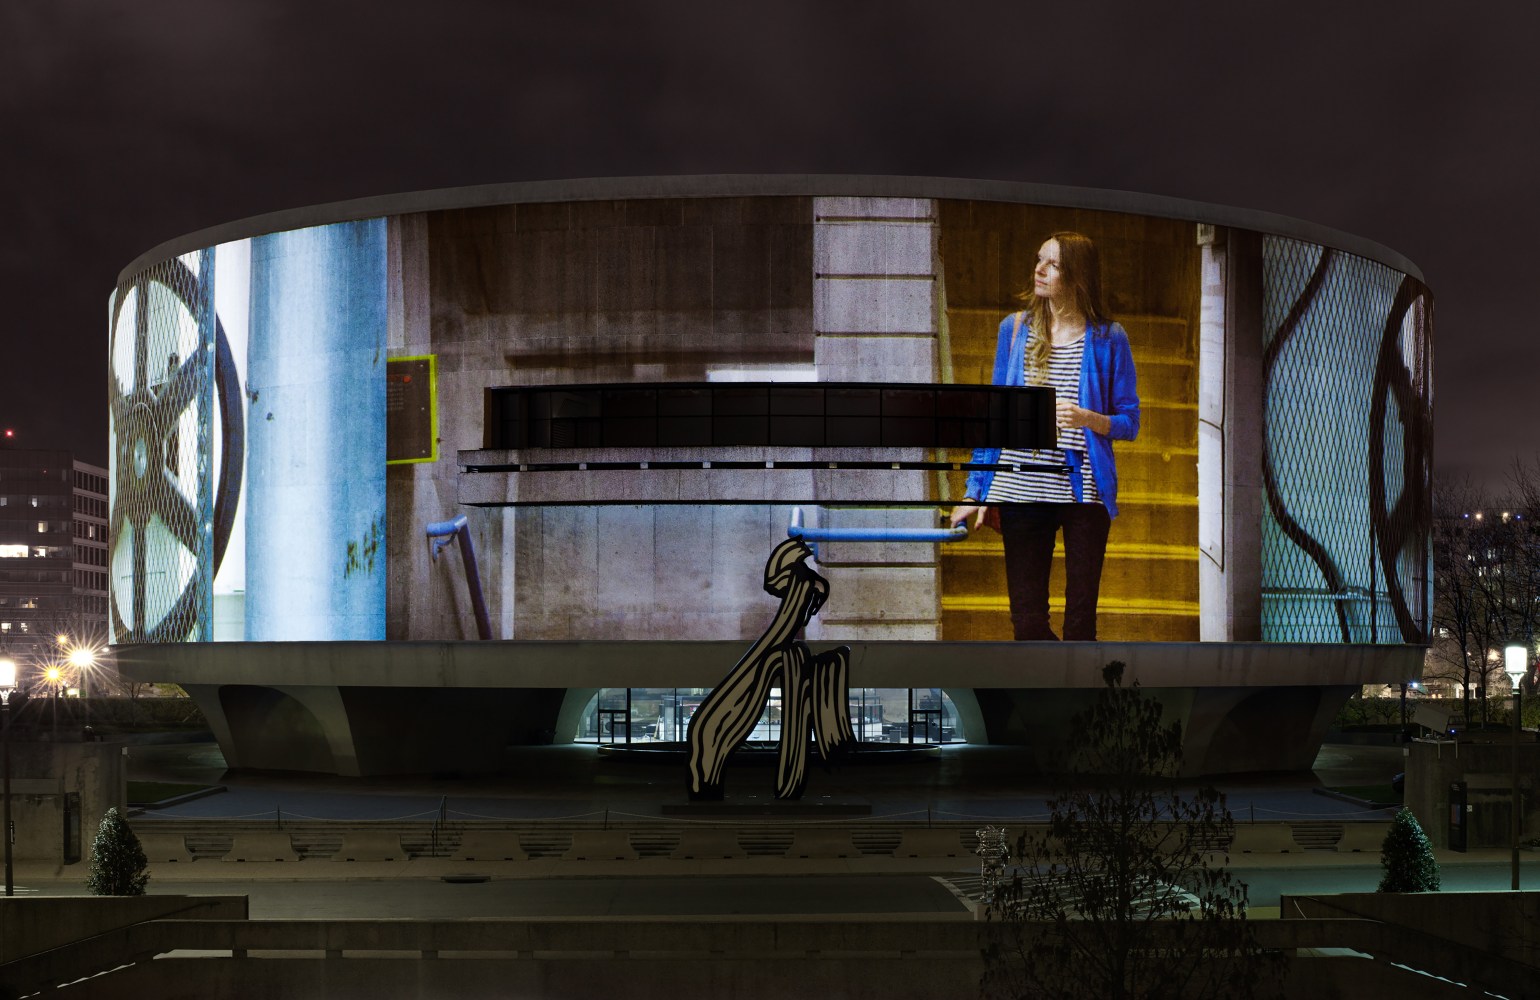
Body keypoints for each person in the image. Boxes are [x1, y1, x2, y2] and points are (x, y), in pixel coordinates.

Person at [949, 232, 1139, 640]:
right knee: (1028, 620)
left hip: (1083, 492)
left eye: (1052, 264)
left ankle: (1073, 697)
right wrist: (974, 492)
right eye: (1039, 260)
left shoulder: (1109, 338)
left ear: (1077, 276)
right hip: (1021, 486)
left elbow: (1130, 422)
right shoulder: (1015, 330)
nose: (1039, 269)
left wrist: (1090, 418)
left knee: (1080, 624)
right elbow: (995, 417)